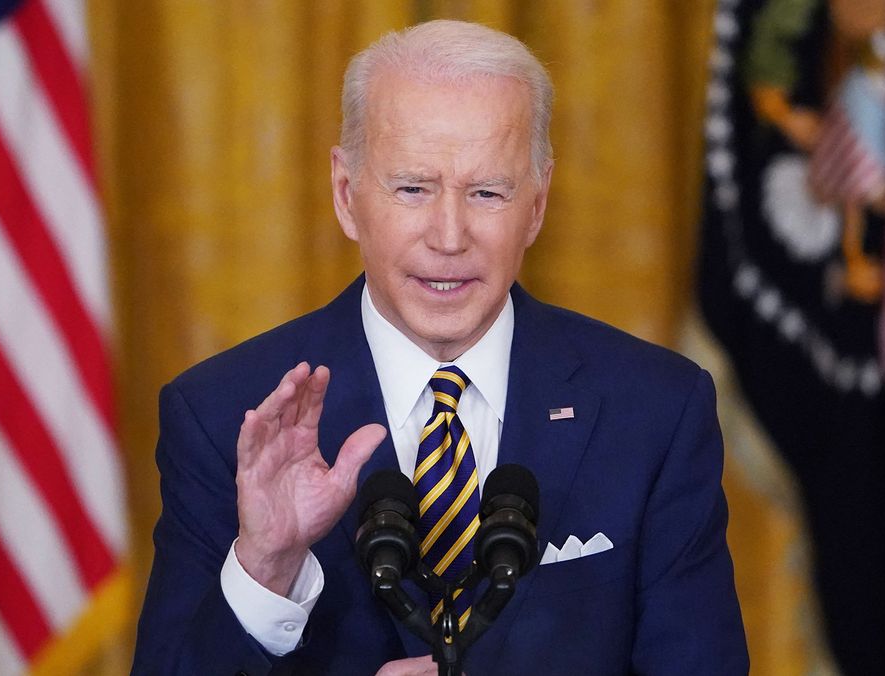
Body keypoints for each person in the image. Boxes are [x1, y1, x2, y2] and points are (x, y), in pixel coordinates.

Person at [132, 19, 748, 675]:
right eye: (413, 189)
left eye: (487, 192)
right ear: (347, 195)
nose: (449, 237)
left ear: (536, 203)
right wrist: (266, 567)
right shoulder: (224, 416)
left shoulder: (654, 412)